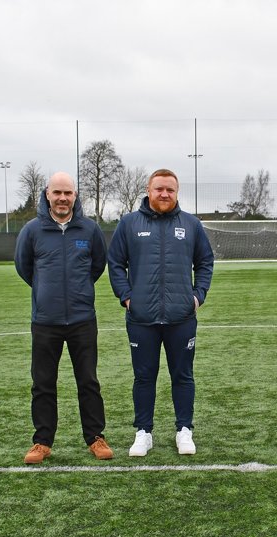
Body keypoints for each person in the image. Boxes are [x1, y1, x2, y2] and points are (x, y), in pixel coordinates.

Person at [108, 169, 215, 457]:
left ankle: (184, 430)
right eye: (159, 189)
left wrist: (197, 296)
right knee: (144, 377)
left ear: (176, 192)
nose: (164, 194)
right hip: (141, 319)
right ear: (149, 190)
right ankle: (143, 432)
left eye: (170, 189)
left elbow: (205, 262)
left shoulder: (191, 225)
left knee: (183, 376)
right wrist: (127, 297)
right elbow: (115, 263)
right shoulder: (129, 224)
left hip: (181, 318)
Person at [14, 172, 112, 463]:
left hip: (83, 319)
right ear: (47, 195)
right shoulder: (32, 231)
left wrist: (78, 291)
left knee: (88, 381)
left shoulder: (90, 230)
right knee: (43, 383)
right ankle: (42, 442)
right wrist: (47, 290)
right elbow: (24, 267)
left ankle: (95, 437)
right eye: (57, 193)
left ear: (75, 196)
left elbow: (97, 266)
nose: (62, 198)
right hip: (45, 320)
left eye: (68, 193)